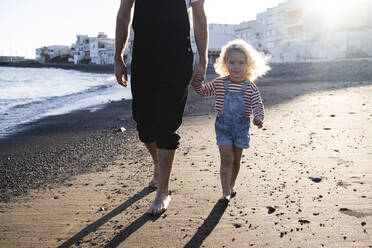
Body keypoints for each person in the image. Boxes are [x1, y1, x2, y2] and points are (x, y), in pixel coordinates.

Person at [114, 0, 208, 215]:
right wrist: (118, 56)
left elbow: (200, 17)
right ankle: (158, 165)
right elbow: (124, 14)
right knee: (144, 124)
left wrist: (203, 60)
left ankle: (163, 191)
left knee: (167, 124)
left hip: (177, 58)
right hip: (143, 57)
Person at [191, 39, 270, 203]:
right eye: (232, 62)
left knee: (235, 161)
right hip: (223, 128)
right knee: (226, 159)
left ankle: (232, 184)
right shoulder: (220, 83)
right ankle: (225, 191)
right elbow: (204, 91)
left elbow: (257, 104)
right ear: (225, 64)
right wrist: (196, 83)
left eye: (241, 63)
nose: (236, 66)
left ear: (248, 65)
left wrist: (259, 117)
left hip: (241, 129)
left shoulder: (250, 87)